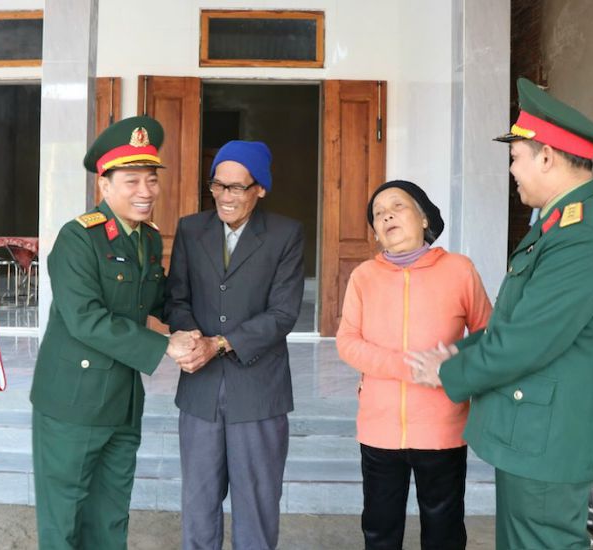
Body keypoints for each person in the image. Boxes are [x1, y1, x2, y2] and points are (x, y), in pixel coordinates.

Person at [406, 78, 593, 550]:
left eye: (516, 158)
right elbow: (520, 322)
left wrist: (452, 369)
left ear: (547, 156)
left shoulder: (581, 237)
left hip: (547, 439)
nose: (512, 170)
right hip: (535, 433)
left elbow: (526, 340)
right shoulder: (561, 224)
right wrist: (460, 349)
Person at [29, 115, 198, 550]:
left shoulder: (145, 239)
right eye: (131, 181)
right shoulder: (78, 239)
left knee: (110, 515)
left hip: (122, 400)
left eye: (151, 180)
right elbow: (85, 318)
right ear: (104, 185)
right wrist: (166, 344)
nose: (145, 191)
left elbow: (156, 300)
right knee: (64, 519)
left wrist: (205, 329)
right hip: (73, 402)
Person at [164, 140, 305, 550]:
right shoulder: (192, 230)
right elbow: (178, 298)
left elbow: (283, 314)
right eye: (218, 186)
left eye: (237, 188)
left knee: (257, 504)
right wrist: (192, 340)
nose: (226, 197)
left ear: (260, 188)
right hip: (200, 391)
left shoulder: (285, 234)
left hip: (259, 390)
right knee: (198, 502)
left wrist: (220, 343)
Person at [335, 180, 491, 549]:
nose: (386, 214)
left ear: (423, 218)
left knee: (444, 530)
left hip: (443, 425)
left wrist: (452, 367)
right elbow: (347, 342)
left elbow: (488, 335)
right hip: (379, 428)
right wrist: (411, 366)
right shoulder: (363, 278)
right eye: (378, 213)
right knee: (379, 529)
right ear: (375, 233)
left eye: (397, 206)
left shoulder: (459, 270)